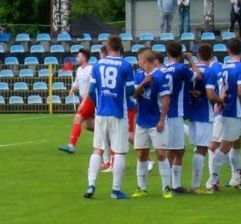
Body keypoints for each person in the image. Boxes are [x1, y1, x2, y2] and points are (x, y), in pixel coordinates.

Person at [83, 36, 135, 200]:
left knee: (98, 149)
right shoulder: (126, 65)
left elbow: (91, 90)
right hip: (118, 113)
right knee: (119, 151)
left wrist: (99, 104)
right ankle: (116, 190)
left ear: (108, 47)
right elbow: (131, 91)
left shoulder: (98, 65)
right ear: (121, 47)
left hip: (101, 112)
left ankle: (91, 185)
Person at [158, 41, 203, 194]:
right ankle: (170, 185)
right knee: (174, 150)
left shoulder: (163, 70)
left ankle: (175, 184)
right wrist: (191, 60)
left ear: (168, 53)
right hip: (175, 113)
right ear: (180, 53)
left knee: (179, 149)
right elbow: (198, 76)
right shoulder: (181, 68)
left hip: (165, 112)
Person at [206, 38, 241, 191]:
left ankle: (236, 179)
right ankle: (212, 180)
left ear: (228, 51)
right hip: (233, 111)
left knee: (236, 143)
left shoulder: (223, 67)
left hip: (223, 109)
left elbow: (222, 89)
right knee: (225, 146)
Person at [130, 49, 171, 198]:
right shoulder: (140, 75)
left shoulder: (159, 76)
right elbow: (134, 94)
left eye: (139, 60)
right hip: (142, 120)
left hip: (156, 121)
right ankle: (141, 187)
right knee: (141, 153)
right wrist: (143, 83)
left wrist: (162, 119)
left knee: (161, 153)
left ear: (145, 61)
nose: (138, 63)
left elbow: (166, 99)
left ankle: (166, 187)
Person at [185, 43, 217, 193]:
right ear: (211, 55)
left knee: (197, 148)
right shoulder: (210, 72)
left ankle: (189, 184)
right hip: (204, 113)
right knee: (202, 149)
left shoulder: (191, 70)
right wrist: (220, 100)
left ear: (198, 55)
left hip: (192, 113)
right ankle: (196, 185)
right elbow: (210, 95)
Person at [59, 49, 94, 154]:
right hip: (84, 99)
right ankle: (107, 135)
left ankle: (71, 146)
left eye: (78, 56)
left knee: (78, 118)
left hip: (90, 98)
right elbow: (77, 83)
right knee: (88, 125)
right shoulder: (79, 70)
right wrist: (73, 88)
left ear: (83, 57)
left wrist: (83, 102)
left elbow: (91, 86)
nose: (77, 59)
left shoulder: (91, 69)